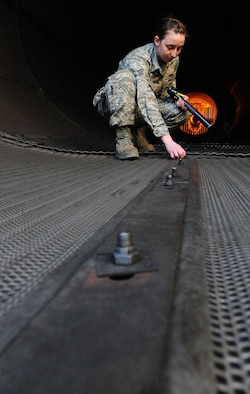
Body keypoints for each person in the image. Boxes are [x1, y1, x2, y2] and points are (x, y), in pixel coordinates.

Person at [93, 16, 191, 160]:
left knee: (183, 111)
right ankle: (124, 138)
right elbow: (146, 97)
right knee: (123, 78)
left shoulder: (173, 60)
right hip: (111, 103)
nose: (174, 53)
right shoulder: (139, 58)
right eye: (170, 47)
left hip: (140, 107)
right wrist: (167, 140)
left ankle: (139, 133)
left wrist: (177, 99)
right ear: (157, 41)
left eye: (179, 48)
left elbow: (166, 91)